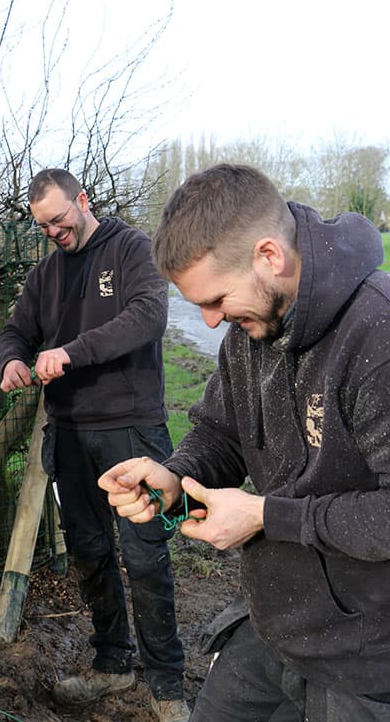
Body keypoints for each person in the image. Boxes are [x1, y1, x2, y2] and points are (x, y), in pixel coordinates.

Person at [98, 163, 390, 722]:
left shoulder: (376, 332)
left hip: (368, 656)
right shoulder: (251, 329)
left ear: (268, 257)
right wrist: (173, 479)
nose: (209, 322)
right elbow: (221, 433)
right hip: (276, 623)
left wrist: (265, 516)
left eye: (215, 299)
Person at [0, 168, 189, 722]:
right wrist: (12, 358)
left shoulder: (132, 249)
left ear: (83, 201)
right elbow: (16, 331)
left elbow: (148, 317)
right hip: (70, 434)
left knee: (145, 556)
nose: (53, 231)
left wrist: (72, 351)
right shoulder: (45, 274)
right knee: (90, 551)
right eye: (43, 225)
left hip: (131, 428)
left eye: (59, 218)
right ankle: (113, 663)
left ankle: (167, 684)